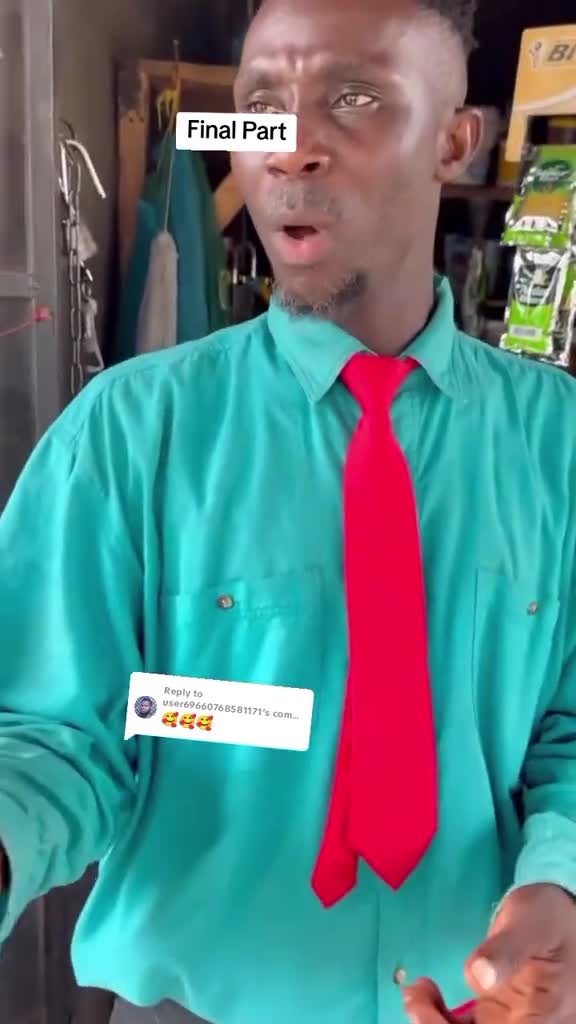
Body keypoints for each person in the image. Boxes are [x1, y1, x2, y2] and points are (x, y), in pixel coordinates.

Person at [0, 0, 575, 1022]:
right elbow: (51, 732)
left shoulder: (559, 445)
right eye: (261, 107)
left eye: (354, 99)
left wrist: (558, 890)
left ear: (454, 140)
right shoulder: (128, 434)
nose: (290, 147)